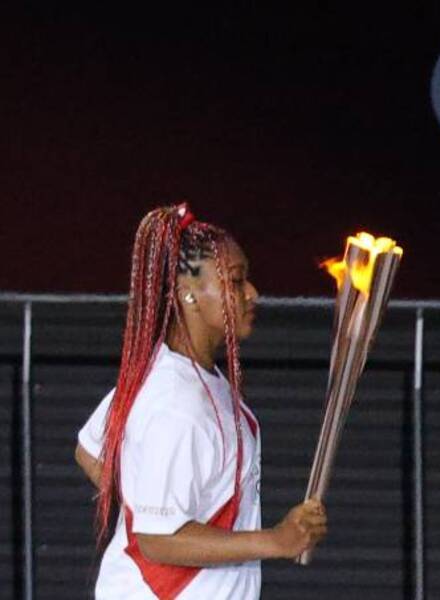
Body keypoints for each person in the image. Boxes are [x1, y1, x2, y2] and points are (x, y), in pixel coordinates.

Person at [74, 203, 326, 599]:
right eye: (236, 281)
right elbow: (158, 540)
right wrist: (276, 541)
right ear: (188, 294)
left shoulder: (170, 373)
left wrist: (151, 495)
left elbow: (89, 450)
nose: (252, 293)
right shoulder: (177, 404)